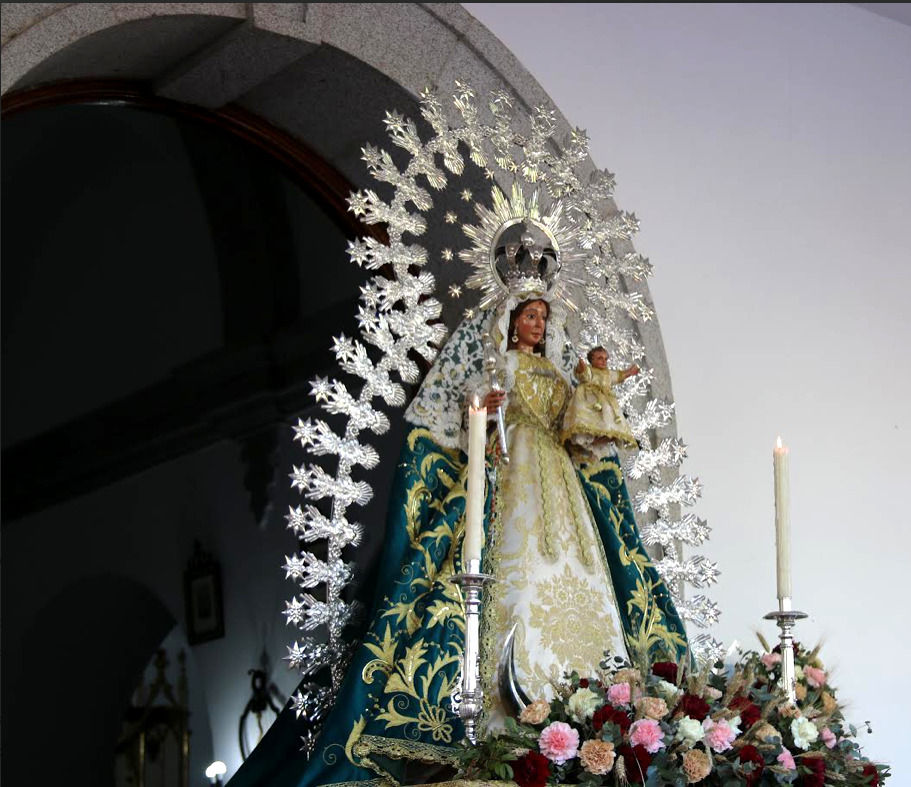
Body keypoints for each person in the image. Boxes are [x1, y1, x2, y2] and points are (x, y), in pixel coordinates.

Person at [230, 295, 688, 787]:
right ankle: (499, 727)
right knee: (513, 586)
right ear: (511, 323)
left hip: (565, 494)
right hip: (513, 483)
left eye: (543, 318)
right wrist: (484, 412)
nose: (537, 325)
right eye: (529, 316)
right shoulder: (501, 368)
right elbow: (469, 418)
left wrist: (599, 391)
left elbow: (581, 429)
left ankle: (599, 709)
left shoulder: (560, 376)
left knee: (583, 583)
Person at [560, 345, 639, 458]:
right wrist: (581, 368)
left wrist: (630, 372)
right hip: (590, 400)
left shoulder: (608, 373)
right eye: (600, 358)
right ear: (592, 360)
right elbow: (585, 375)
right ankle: (587, 440)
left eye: (605, 359)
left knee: (612, 427)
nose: (603, 361)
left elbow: (619, 375)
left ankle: (597, 442)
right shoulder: (590, 370)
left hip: (607, 402)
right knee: (590, 422)